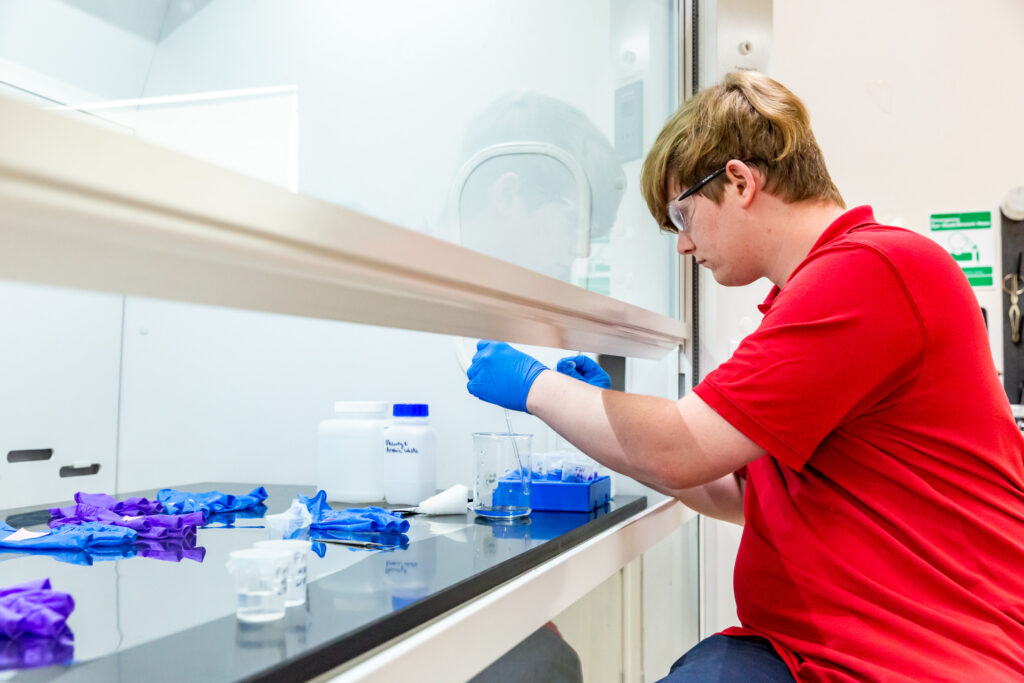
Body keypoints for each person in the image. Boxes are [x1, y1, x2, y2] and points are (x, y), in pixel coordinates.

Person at [466, 70, 1024, 681]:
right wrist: (610, 415)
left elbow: (683, 449)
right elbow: (737, 493)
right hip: (813, 646)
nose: (682, 247)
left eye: (683, 217)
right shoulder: (813, 294)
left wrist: (533, 385)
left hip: (920, 656)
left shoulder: (871, 272)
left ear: (738, 181)